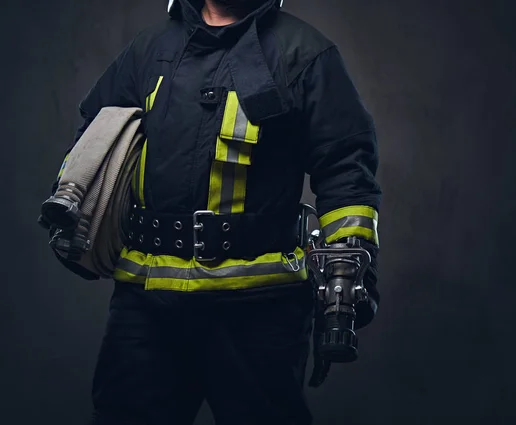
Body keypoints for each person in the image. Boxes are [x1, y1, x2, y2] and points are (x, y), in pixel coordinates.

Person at [56, 0, 382, 423]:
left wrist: (347, 280)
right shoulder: (150, 49)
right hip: (148, 307)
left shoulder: (304, 53)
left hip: (260, 311)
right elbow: (95, 142)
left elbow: (345, 169)